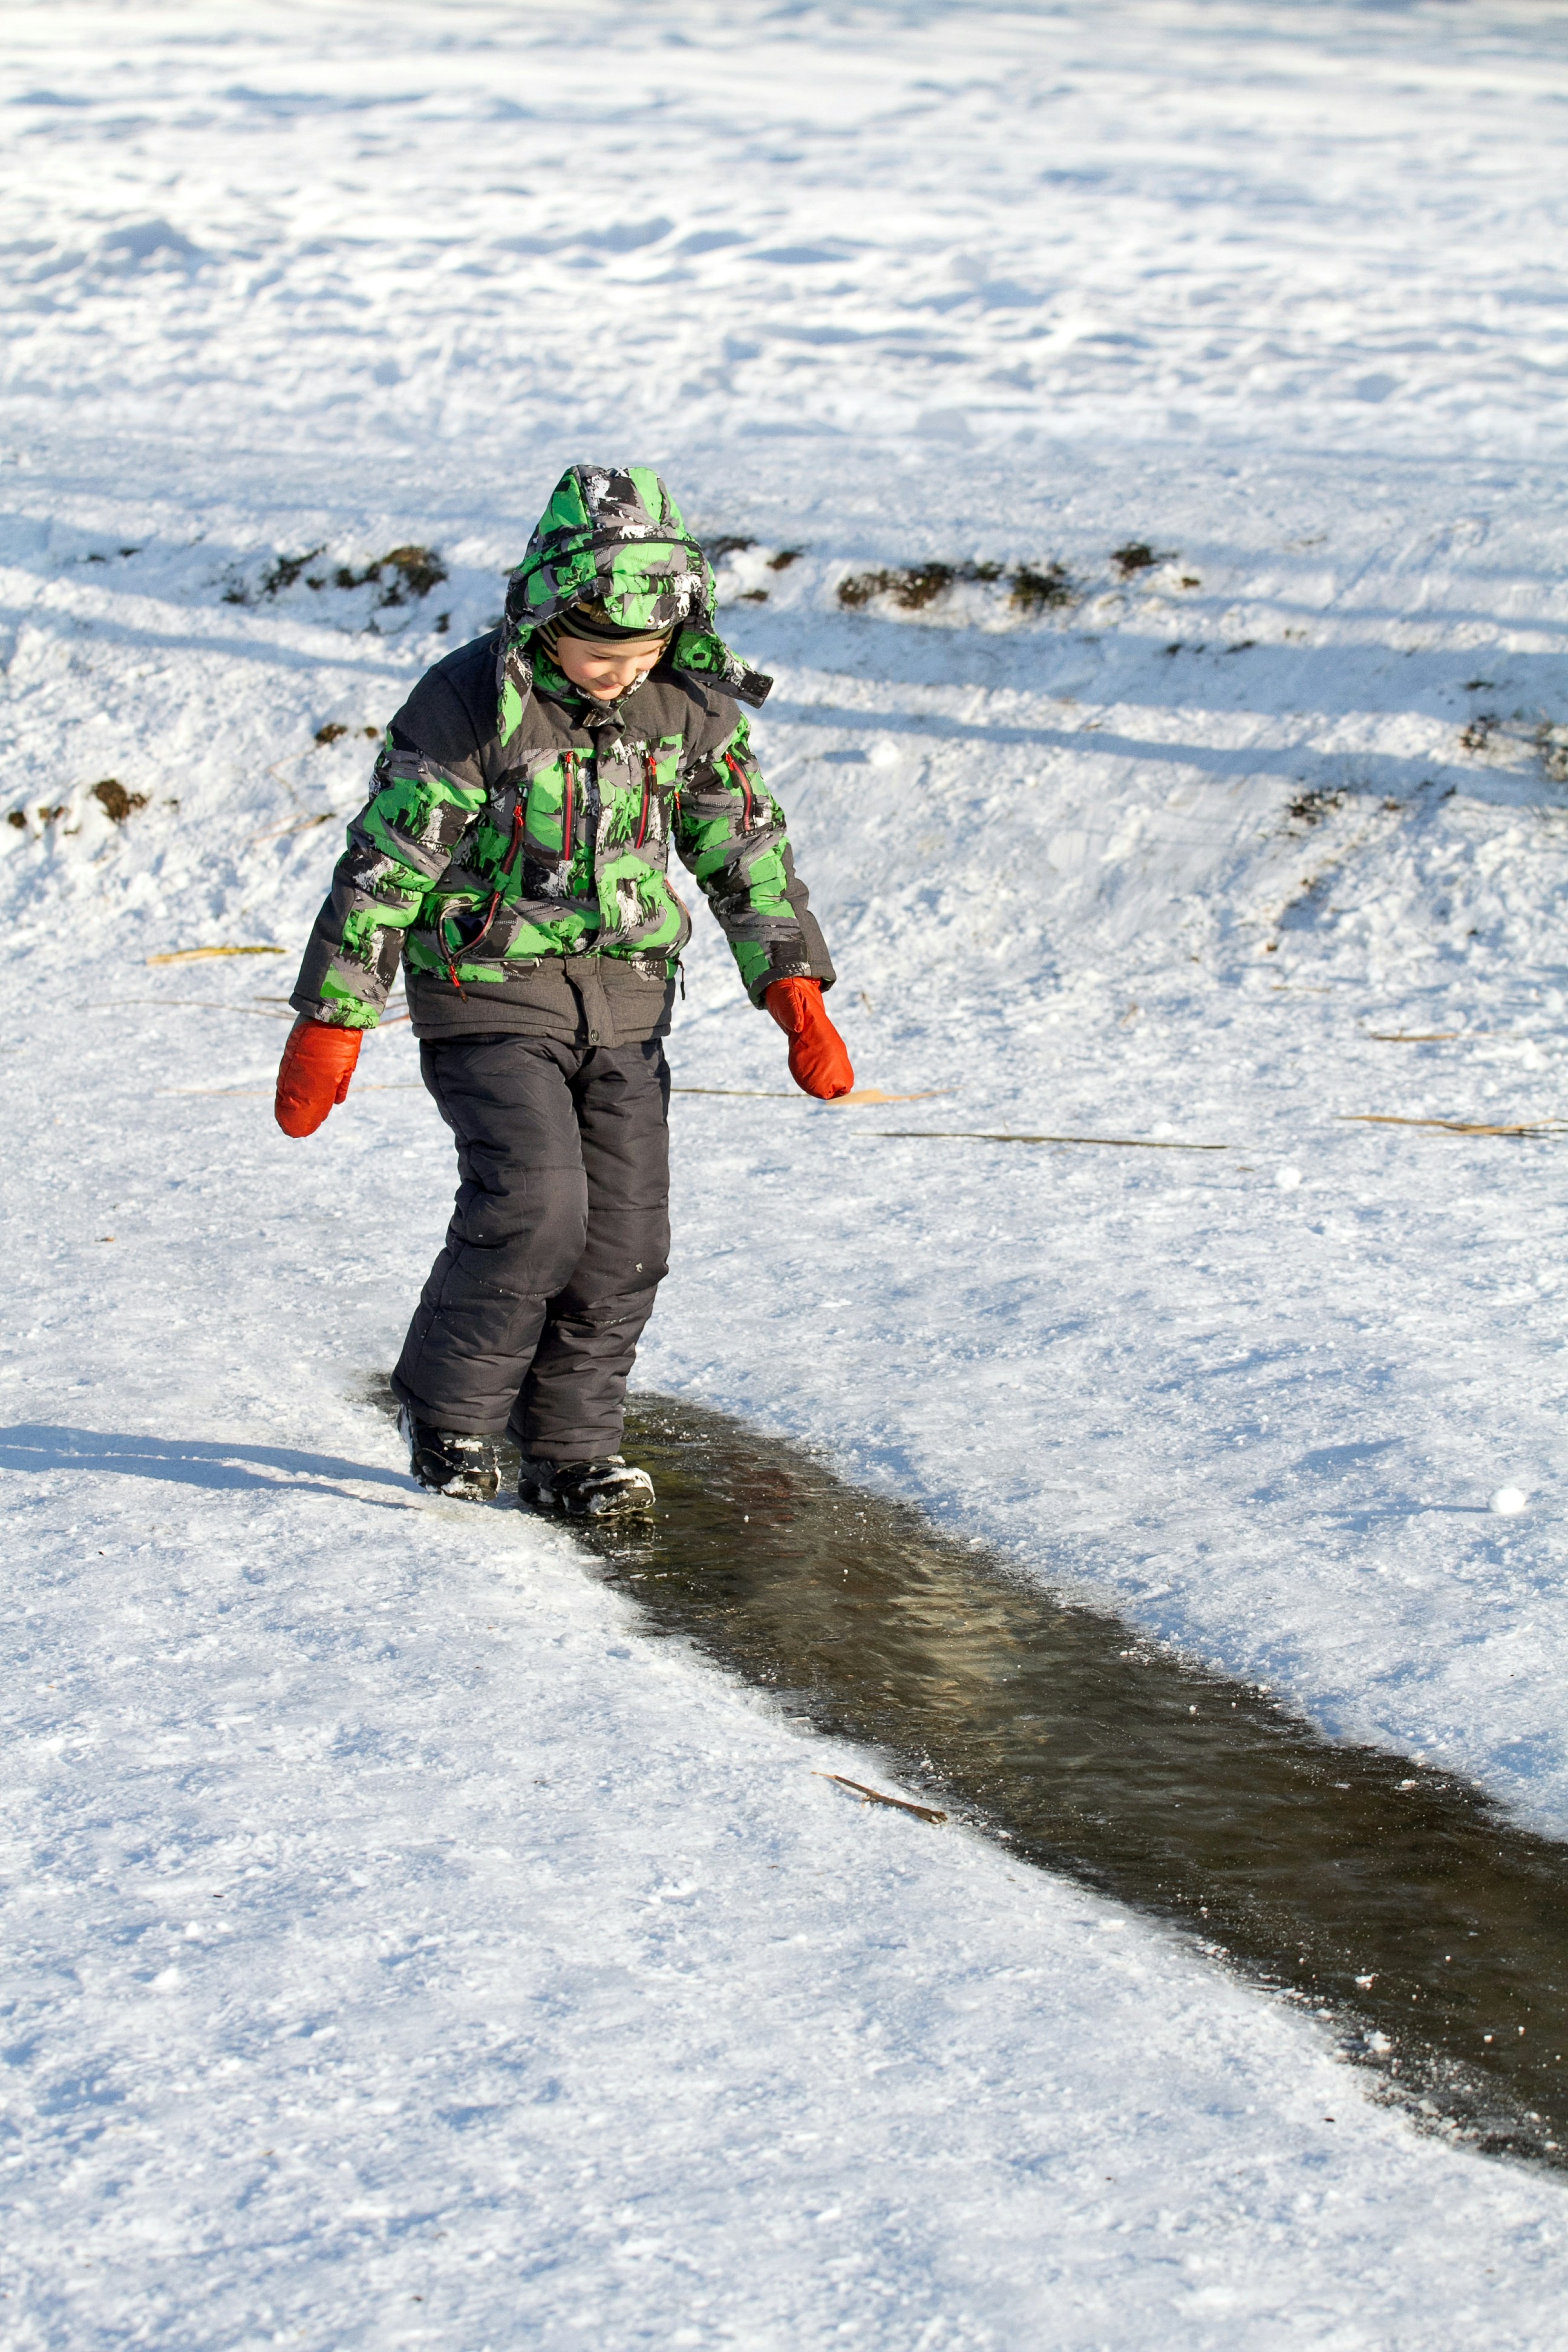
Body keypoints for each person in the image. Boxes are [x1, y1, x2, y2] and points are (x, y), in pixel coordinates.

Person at [273, 463, 852, 1517]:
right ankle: (448, 1413)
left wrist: (792, 988)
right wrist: (335, 1018)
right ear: (545, 617)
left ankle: (572, 1449)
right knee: (537, 1207)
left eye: (640, 656)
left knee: (629, 1241)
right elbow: (387, 865)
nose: (616, 676)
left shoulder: (686, 703)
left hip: (628, 1003)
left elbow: (744, 849)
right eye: (597, 653)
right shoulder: (467, 705)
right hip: (487, 992)